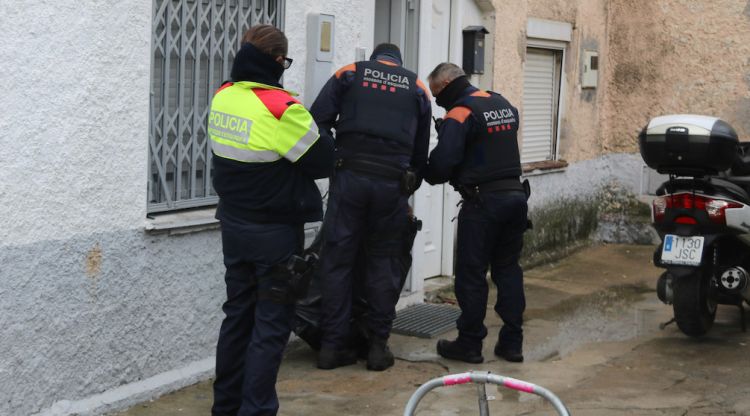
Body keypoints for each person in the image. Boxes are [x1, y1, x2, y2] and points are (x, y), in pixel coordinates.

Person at [208, 25, 334, 416]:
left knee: (237, 318)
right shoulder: (281, 108)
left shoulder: (224, 96)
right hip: (275, 233)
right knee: (271, 324)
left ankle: (225, 407)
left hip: (233, 225)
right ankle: (257, 410)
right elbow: (323, 160)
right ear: (278, 61)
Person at [309, 43, 432, 371]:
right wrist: (409, 186)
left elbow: (316, 120)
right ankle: (377, 348)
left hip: (350, 178)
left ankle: (332, 347)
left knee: (337, 261)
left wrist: (336, 157)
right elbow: (421, 154)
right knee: (383, 262)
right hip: (391, 184)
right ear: (398, 62)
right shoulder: (417, 87)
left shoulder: (349, 73)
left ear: (376, 58)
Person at [424, 62, 528, 364]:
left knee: (471, 276)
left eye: (436, 94)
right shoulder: (502, 103)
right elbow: (492, 147)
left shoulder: (460, 113)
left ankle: (469, 344)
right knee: (508, 270)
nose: (437, 101)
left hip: (484, 205)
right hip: (516, 199)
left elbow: (441, 166)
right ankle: (512, 343)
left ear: (445, 85)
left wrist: (424, 169)